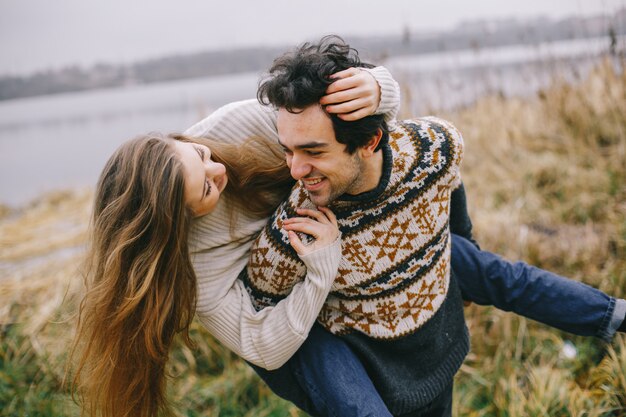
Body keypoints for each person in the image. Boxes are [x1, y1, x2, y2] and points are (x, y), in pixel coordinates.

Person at [70, 40, 626, 417]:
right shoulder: (199, 264)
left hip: (344, 233)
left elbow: (331, 116)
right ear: (180, 219)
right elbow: (263, 343)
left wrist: (378, 87)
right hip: (288, 316)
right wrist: (319, 268)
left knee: (487, 268)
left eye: (201, 156)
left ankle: (613, 316)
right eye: (207, 189)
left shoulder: (229, 130)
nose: (219, 168)